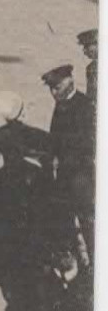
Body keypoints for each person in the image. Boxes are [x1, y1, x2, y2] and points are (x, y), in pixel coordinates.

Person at [0, 90, 53, 293]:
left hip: (4, 185)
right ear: (22, 112)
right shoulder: (40, 136)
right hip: (30, 186)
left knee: (2, 227)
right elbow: (48, 167)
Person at [44, 63, 95, 262]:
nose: (52, 93)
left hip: (81, 173)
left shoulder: (85, 106)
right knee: (63, 216)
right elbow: (54, 135)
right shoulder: (61, 104)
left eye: (56, 88)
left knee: (86, 218)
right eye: (51, 89)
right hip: (64, 173)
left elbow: (87, 143)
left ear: (69, 84)